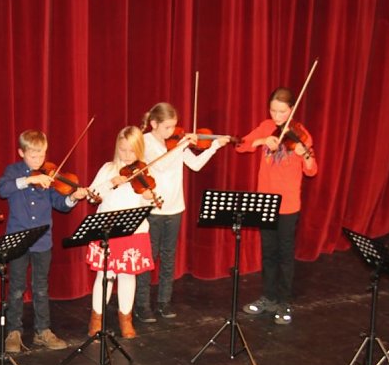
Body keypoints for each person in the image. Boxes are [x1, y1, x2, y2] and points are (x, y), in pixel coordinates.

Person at [134, 102, 229, 322]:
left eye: (174, 127)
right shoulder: (145, 142)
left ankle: (164, 302)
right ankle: (142, 305)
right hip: (152, 210)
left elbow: (195, 165)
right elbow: (160, 167)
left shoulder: (176, 144)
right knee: (149, 258)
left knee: (168, 257)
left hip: (175, 207)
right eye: (167, 127)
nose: (172, 131)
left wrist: (214, 146)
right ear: (154, 124)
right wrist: (179, 147)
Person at [0, 130, 88, 353]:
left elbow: (60, 203)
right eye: (34, 156)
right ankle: (14, 331)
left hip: (42, 241)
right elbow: (1, 189)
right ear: (21, 152)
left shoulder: (50, 175)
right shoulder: (14, 172)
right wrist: (29, 179)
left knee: (41, 288)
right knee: (16, 288)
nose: (39, 161)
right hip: (18, 240)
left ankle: (42, 331)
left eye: (42, 155)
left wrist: (72, 198)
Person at [236, 87, 318, 324]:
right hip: (265, 202)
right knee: (268, 253)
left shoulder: (301, 134)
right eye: (273, 110)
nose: (277, 116)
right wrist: (262, 139)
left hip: (288, 203)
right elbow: (241, 145)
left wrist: (305, 154)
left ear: (291, 109)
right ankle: (268, 297)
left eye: (282, 112)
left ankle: (285, 302)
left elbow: (312, 170)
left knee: (284, 254)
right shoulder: (265, 126)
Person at [86, 126, 156, 338]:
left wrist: (149, 198)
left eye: (132, 152)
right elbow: (91, 196)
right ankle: (96, 319)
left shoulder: (144, 172)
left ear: (139, 151)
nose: (127, 156)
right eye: (123, 150)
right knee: (105, 275)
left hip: (133, 232)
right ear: (117, 148)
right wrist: (110, 183)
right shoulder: (108, 169)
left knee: (128, 276)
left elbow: (148, 200)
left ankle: (126, 319)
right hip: (107, 231)